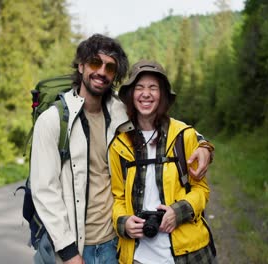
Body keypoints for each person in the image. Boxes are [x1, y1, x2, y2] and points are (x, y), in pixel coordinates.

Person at [30, 34, 213, 264]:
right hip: (75, 247)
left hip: (116, 244)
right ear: (81, 65)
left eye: (110, 67)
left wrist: (204, 146)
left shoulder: (119, 112)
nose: (102, 72)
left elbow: (167, 127)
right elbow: (44, 191)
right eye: (95, 63)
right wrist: (68, 253)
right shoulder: (53, 121)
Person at [109, 60, 216, 263]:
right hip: (137, 256)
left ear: (163, 95)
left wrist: (179, 211)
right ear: (131, 95)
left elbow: (201, 190)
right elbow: (118, 198)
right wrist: (123, 222)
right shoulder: (119, 143)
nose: (146, 94)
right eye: (139, 88)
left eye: (153, 88)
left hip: (188, 254)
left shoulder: (183, 135)